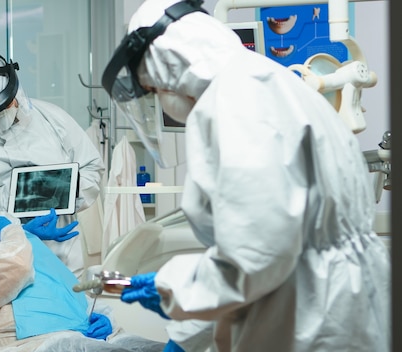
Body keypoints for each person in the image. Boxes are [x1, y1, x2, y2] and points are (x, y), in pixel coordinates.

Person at [100, 0, 391, 351]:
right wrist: (190, 332)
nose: (162, 103)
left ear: (170, 67)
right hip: (331, 298)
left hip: (308, 315)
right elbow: (268, 255)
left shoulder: (233, 101)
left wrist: (170, 287)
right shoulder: (268, 79)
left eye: (155, 91)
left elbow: (255, 256)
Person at [0, 170, 166, 352]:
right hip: (24, 345)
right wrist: (13, 229)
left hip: (76, 337)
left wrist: (101, 317)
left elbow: (61, 290)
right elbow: (14, 270)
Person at [0, 47, 105, 278]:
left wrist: (66, 197)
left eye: (4, 106)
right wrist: (11, 226)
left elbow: (92, 168)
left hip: (62, 254)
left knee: (71, 306)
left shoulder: (52, 119)